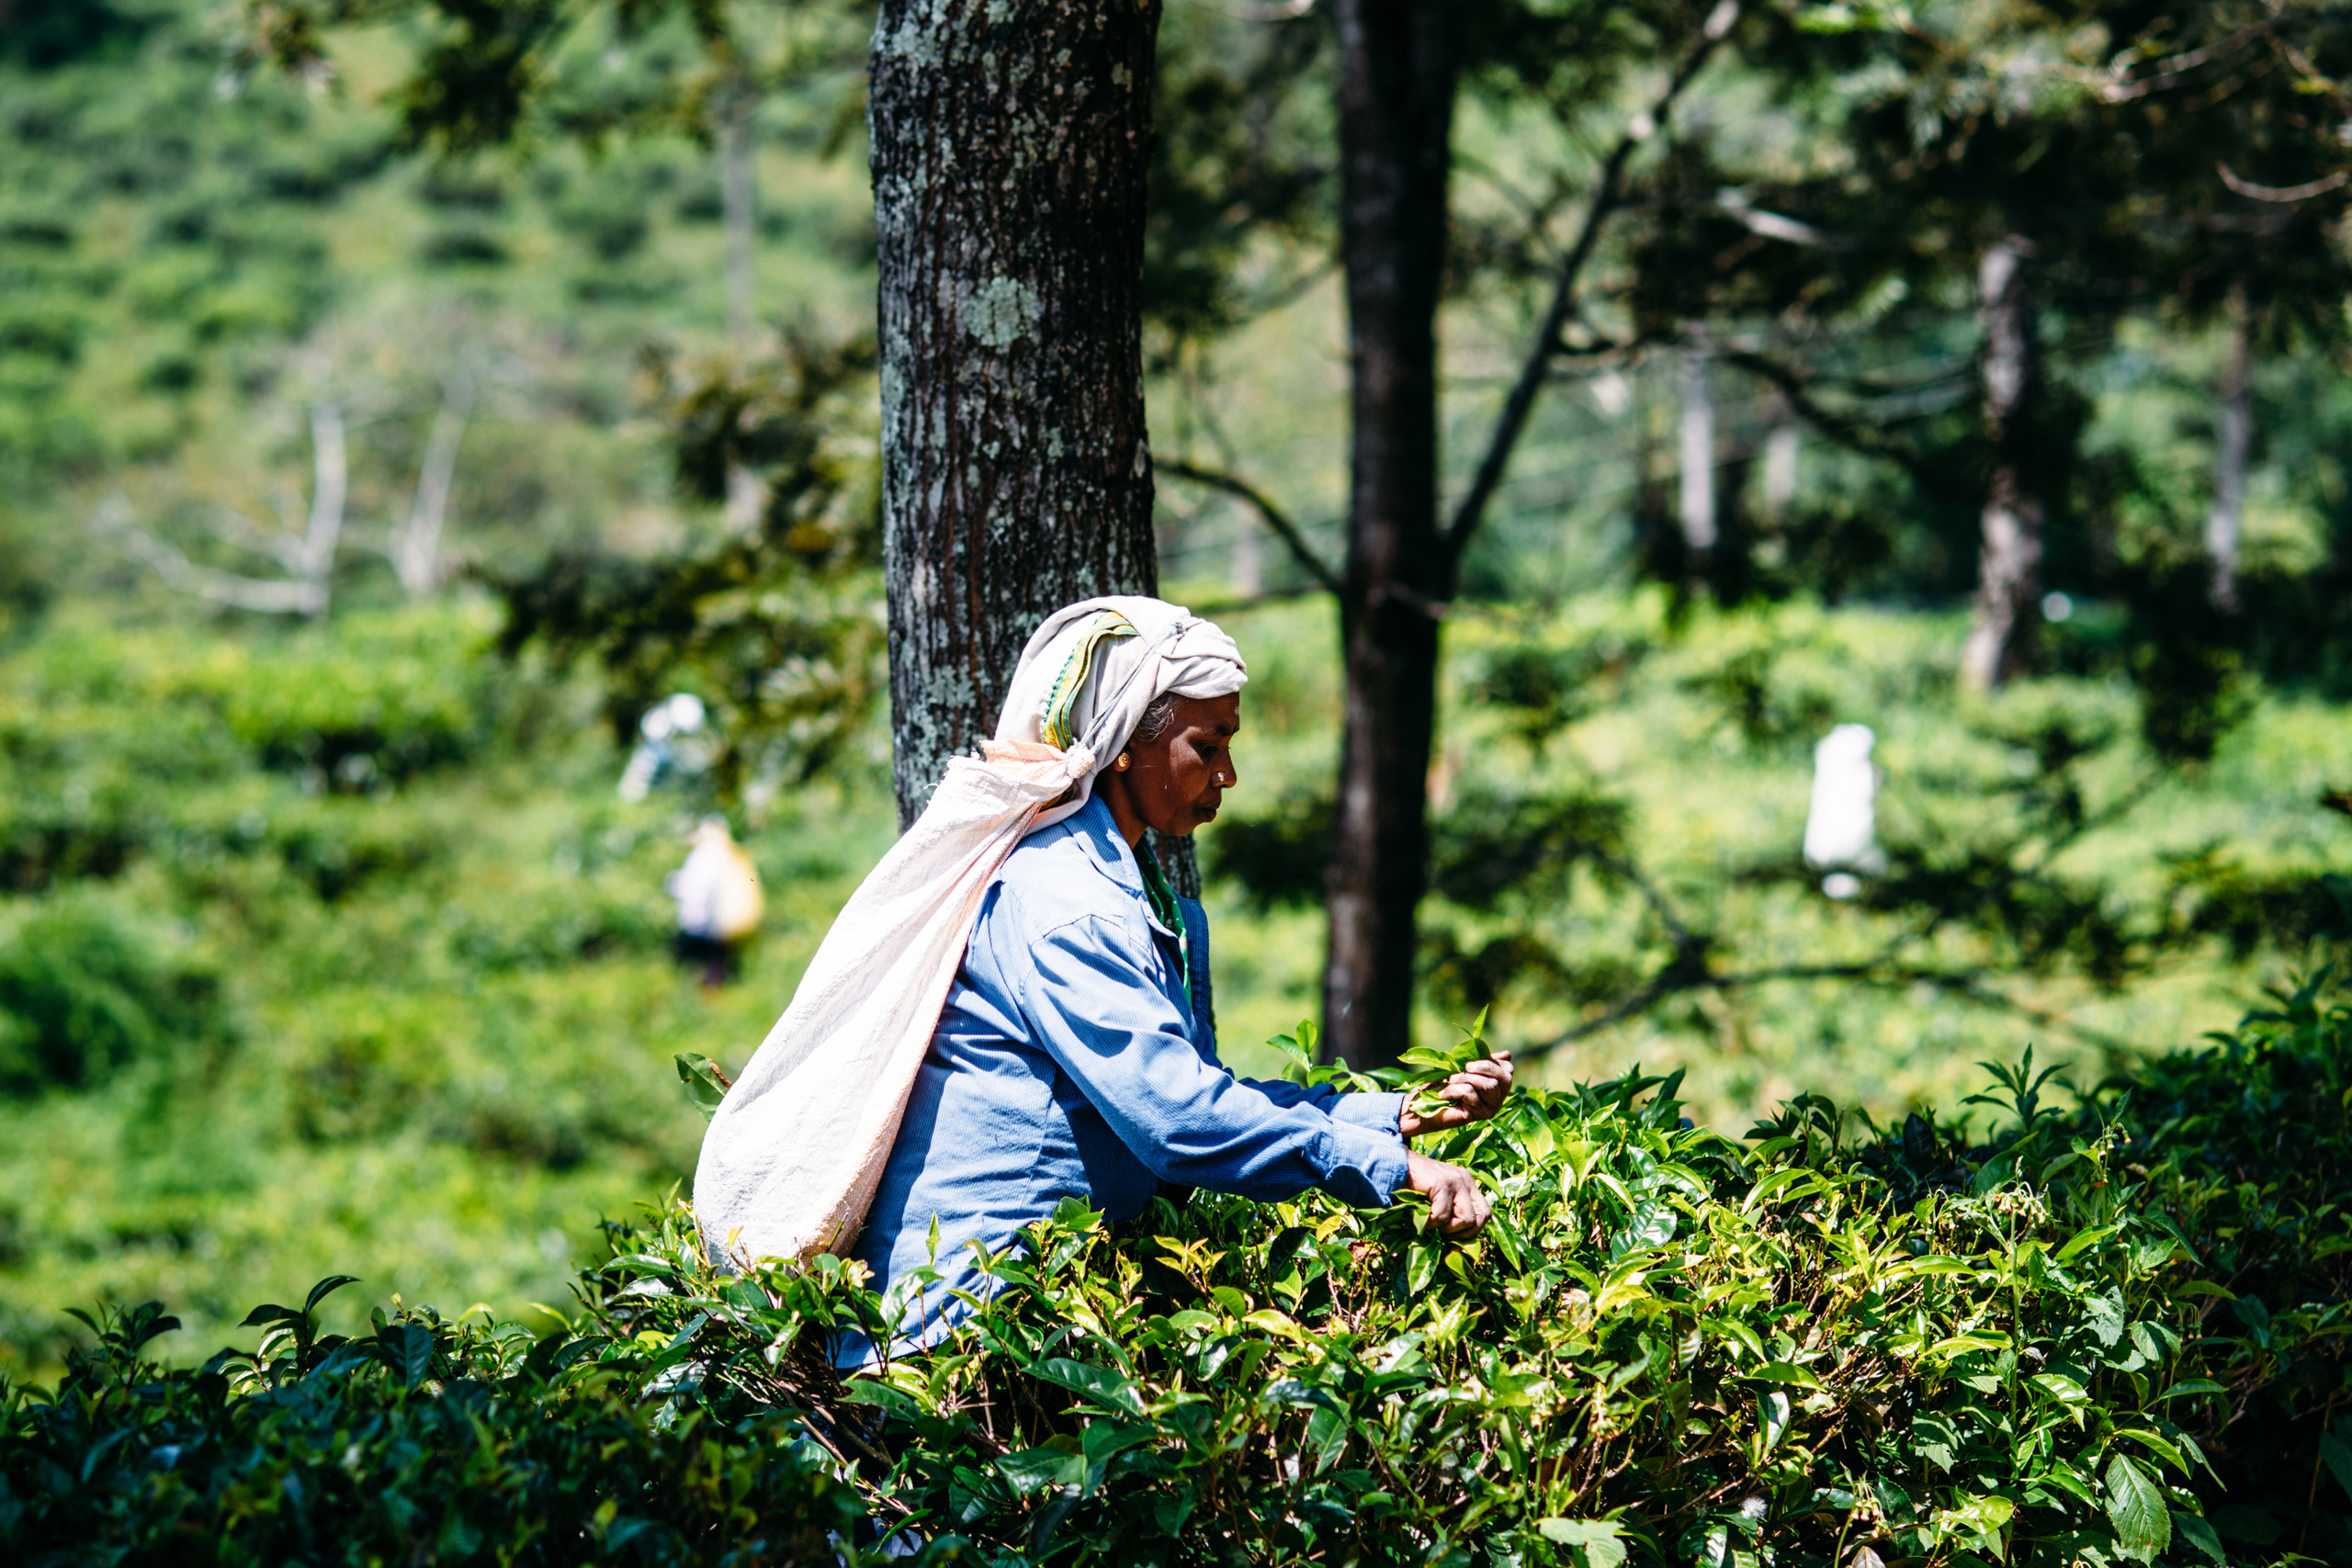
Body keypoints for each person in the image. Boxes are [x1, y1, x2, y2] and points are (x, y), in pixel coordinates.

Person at [833, 597, 1513, 1362]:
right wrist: (1392, 1169)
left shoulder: (1136, 888)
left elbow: (1197, 1089)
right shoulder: (1066, 902)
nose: (1226, 773)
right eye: (1207, 743)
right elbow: (1180, 1120)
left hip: (1041, 1311)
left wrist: (1395, 1115)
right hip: (963, 1326)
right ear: (1125, 744)